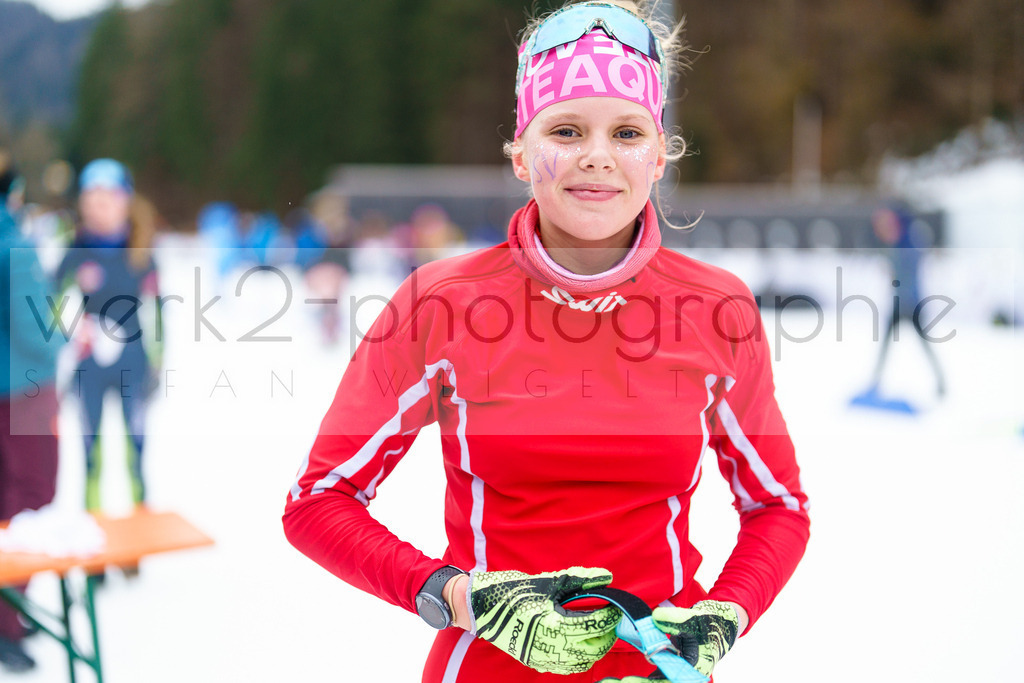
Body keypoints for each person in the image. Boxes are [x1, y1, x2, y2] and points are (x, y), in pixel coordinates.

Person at [283, 2, 809, 681]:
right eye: (566, 129)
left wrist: (726, 612)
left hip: (660, 671)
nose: (597, 156)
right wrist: (458, 595)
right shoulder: (440, 303)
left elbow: (778, 505)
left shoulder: (716, 308)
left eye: (626, 132)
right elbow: (320, 498)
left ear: (659, 156)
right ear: (521, 154)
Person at [56, 159, 162, 513]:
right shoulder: (75, 250)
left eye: (107, 198)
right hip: (90, 365)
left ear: (125, 202)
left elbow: (158, 313)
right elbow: (50, 306)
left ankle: (140, 527)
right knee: (92, 455)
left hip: (134, 362)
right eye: (91, 198)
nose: (98, 207)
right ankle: (93, 531)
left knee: (136, 451)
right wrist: (73, 332)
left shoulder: (141, 251)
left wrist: (157, 363)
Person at [0, 165, 62, 673]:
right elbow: (34, 330)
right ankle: (6, 617)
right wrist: (65, 340)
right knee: (29, 501)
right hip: (22, 393)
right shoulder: (14, 243)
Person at [867, 200, 946, 398]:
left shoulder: (909, 241)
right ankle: (875, 382)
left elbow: (909, 275)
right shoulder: (896, 242)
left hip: (912, 304)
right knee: (886, 343)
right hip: (899, 302)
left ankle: (940, 383)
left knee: (923, 344)